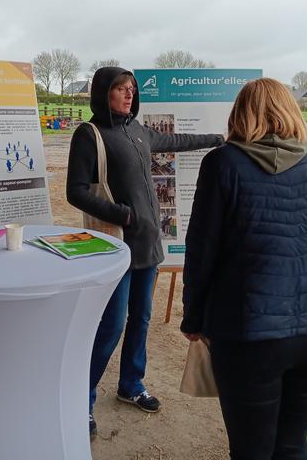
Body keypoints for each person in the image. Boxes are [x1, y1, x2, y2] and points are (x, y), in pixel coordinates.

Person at [181, 78, 307, 460]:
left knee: (251, 449)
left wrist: (194, 317)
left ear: (241, 113)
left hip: (249, 333)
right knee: (292, 445)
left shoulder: (222, 163)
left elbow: (202, 250)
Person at [66, 66, 223, 438]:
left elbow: (179, 141)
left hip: (149, 247)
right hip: (117, 247)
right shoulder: (89, 135)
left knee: (141, 321)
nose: (128, 95)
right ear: (103, 92)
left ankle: (131, 385)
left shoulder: (137, 131)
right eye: (120, 89)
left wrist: (220, 138)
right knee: (111, 327)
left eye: (131, 90)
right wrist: (122, 213)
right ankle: (80, 399)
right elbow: (75, 191)